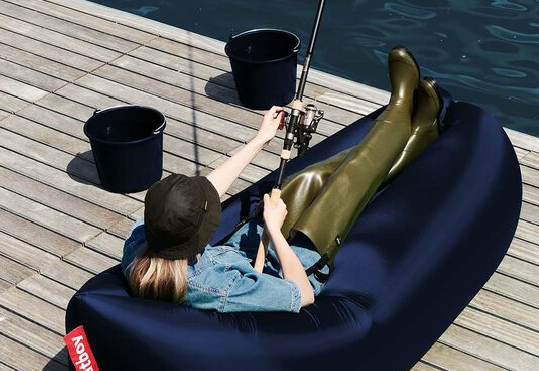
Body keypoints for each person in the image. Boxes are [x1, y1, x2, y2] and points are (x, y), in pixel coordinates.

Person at [121, 47, 445, 313]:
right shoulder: (218, 288)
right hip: (299, 264)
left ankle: (417, 136)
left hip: (247, 251)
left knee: (311, 176)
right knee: (349, 178)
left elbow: (203, 193)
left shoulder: (142, 244)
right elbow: (301, 294)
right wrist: (275, 230)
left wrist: (259, 140)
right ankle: (400, 112)